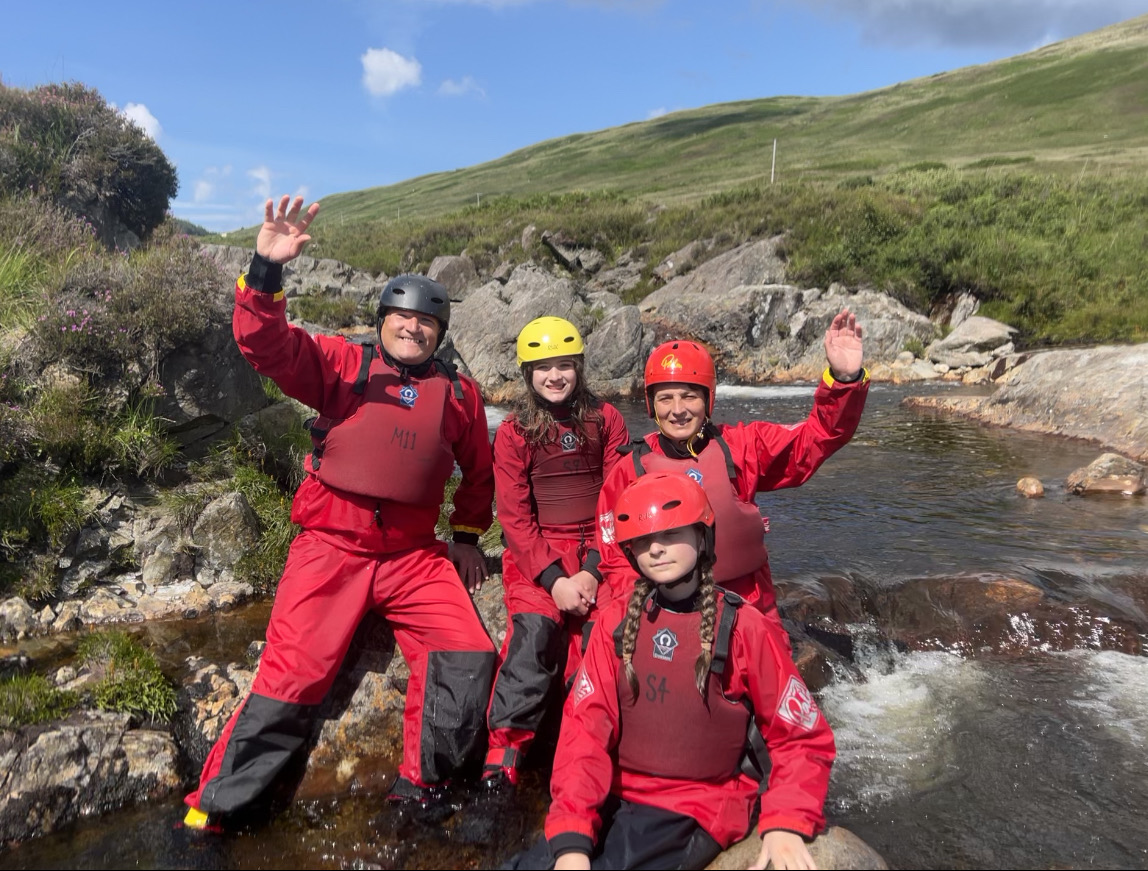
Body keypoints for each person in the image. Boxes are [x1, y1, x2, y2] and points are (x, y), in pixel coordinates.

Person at [183, 195, 497, 829]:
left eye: (427, 323)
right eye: (403, 318)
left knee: (467, 655)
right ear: (382, 321)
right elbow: (264, 345)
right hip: (332, 547)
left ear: (441, 334)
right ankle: (214, 811)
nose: (414, 329)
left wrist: (465, 537)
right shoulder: (342, 364)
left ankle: (421, 790)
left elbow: (480, 473)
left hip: (414, 557)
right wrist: (266, 272)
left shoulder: (460, 394)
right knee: (292, 677)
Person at [508, 472, 834, 870]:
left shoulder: (744, 627)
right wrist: (572, 836)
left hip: (695, 807)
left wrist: (786, 820)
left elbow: (800, 737)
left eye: (671, 534)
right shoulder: (614, 619)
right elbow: (583, 735)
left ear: (702, 537)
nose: (656, 550)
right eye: (643, 541)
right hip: (616, 794)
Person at [595, 312, 868, 628]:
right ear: (651, 404)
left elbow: (816, 438)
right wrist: (639, 614)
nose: (678, 410)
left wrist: (844, 381)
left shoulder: (742, 446)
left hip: (747, 608)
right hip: (664, 613)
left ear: (708, 399)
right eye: (665, 398)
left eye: (689, 396)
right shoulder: (629, 470)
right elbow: (613, 557)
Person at [483, 317, 630, 789]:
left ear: (579, 367)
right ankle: (504, 753)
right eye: (543, 368)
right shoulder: (513, 432)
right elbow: (515, 519)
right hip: (538, 553)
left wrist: (590, 571)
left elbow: (617, 501)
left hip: (600, 551)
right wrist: (555, 581)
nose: (554, 377)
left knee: (602, 640)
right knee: (533, 638)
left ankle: (588, 747)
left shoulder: (605, 419)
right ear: (527, 374)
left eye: (564, 366)